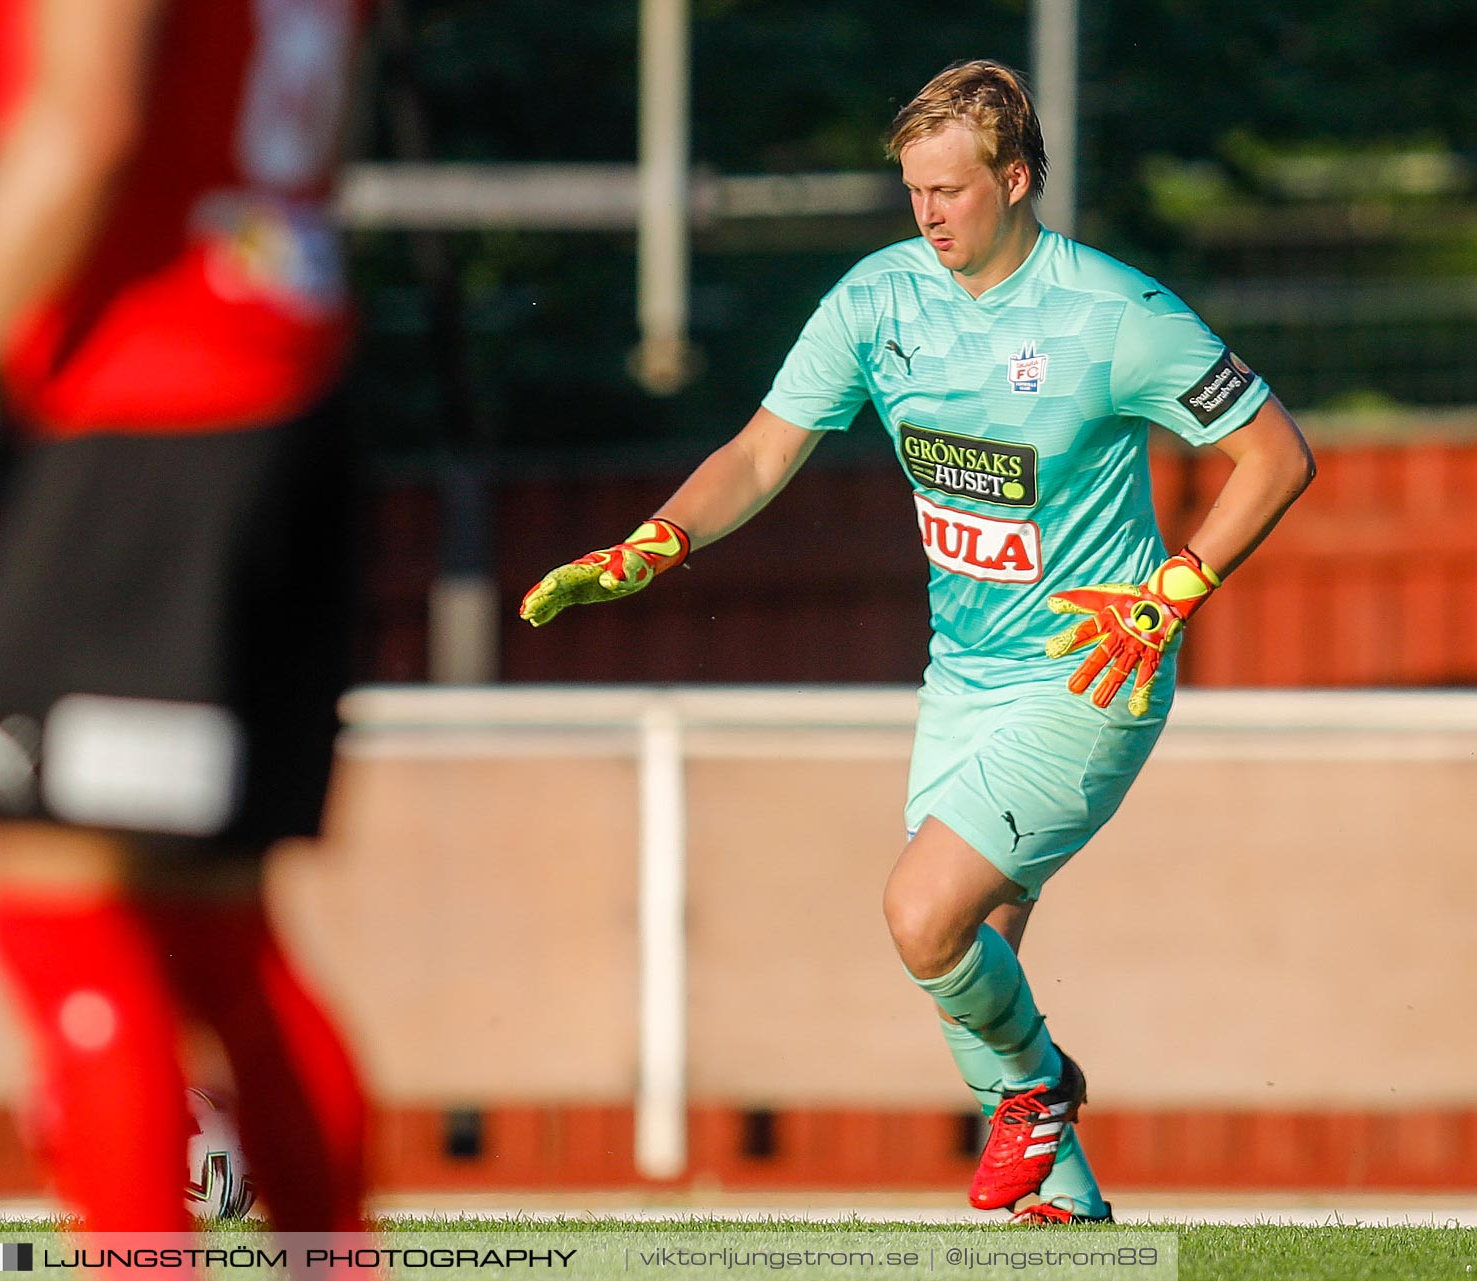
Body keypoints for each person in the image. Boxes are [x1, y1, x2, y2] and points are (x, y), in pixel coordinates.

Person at [520, 59, 1315, 1223]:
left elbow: (1278, 454)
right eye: (914, 193)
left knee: (920, 915)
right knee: (970, 955)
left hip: (1090, 672)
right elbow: (758, 453)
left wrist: (1173, 590)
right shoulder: (876, 302)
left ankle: (1043, 1092)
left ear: (1018, 177)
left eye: (952, 189)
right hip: (962, 681)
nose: (931, 214)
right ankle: (1069, 1219)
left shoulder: (1115, 316)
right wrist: (652, 545)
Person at [0, 0, 371, 1241]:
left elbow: (81, 117)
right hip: (291, 400)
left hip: (160, 428)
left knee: (59, 912)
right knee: (212, 933)